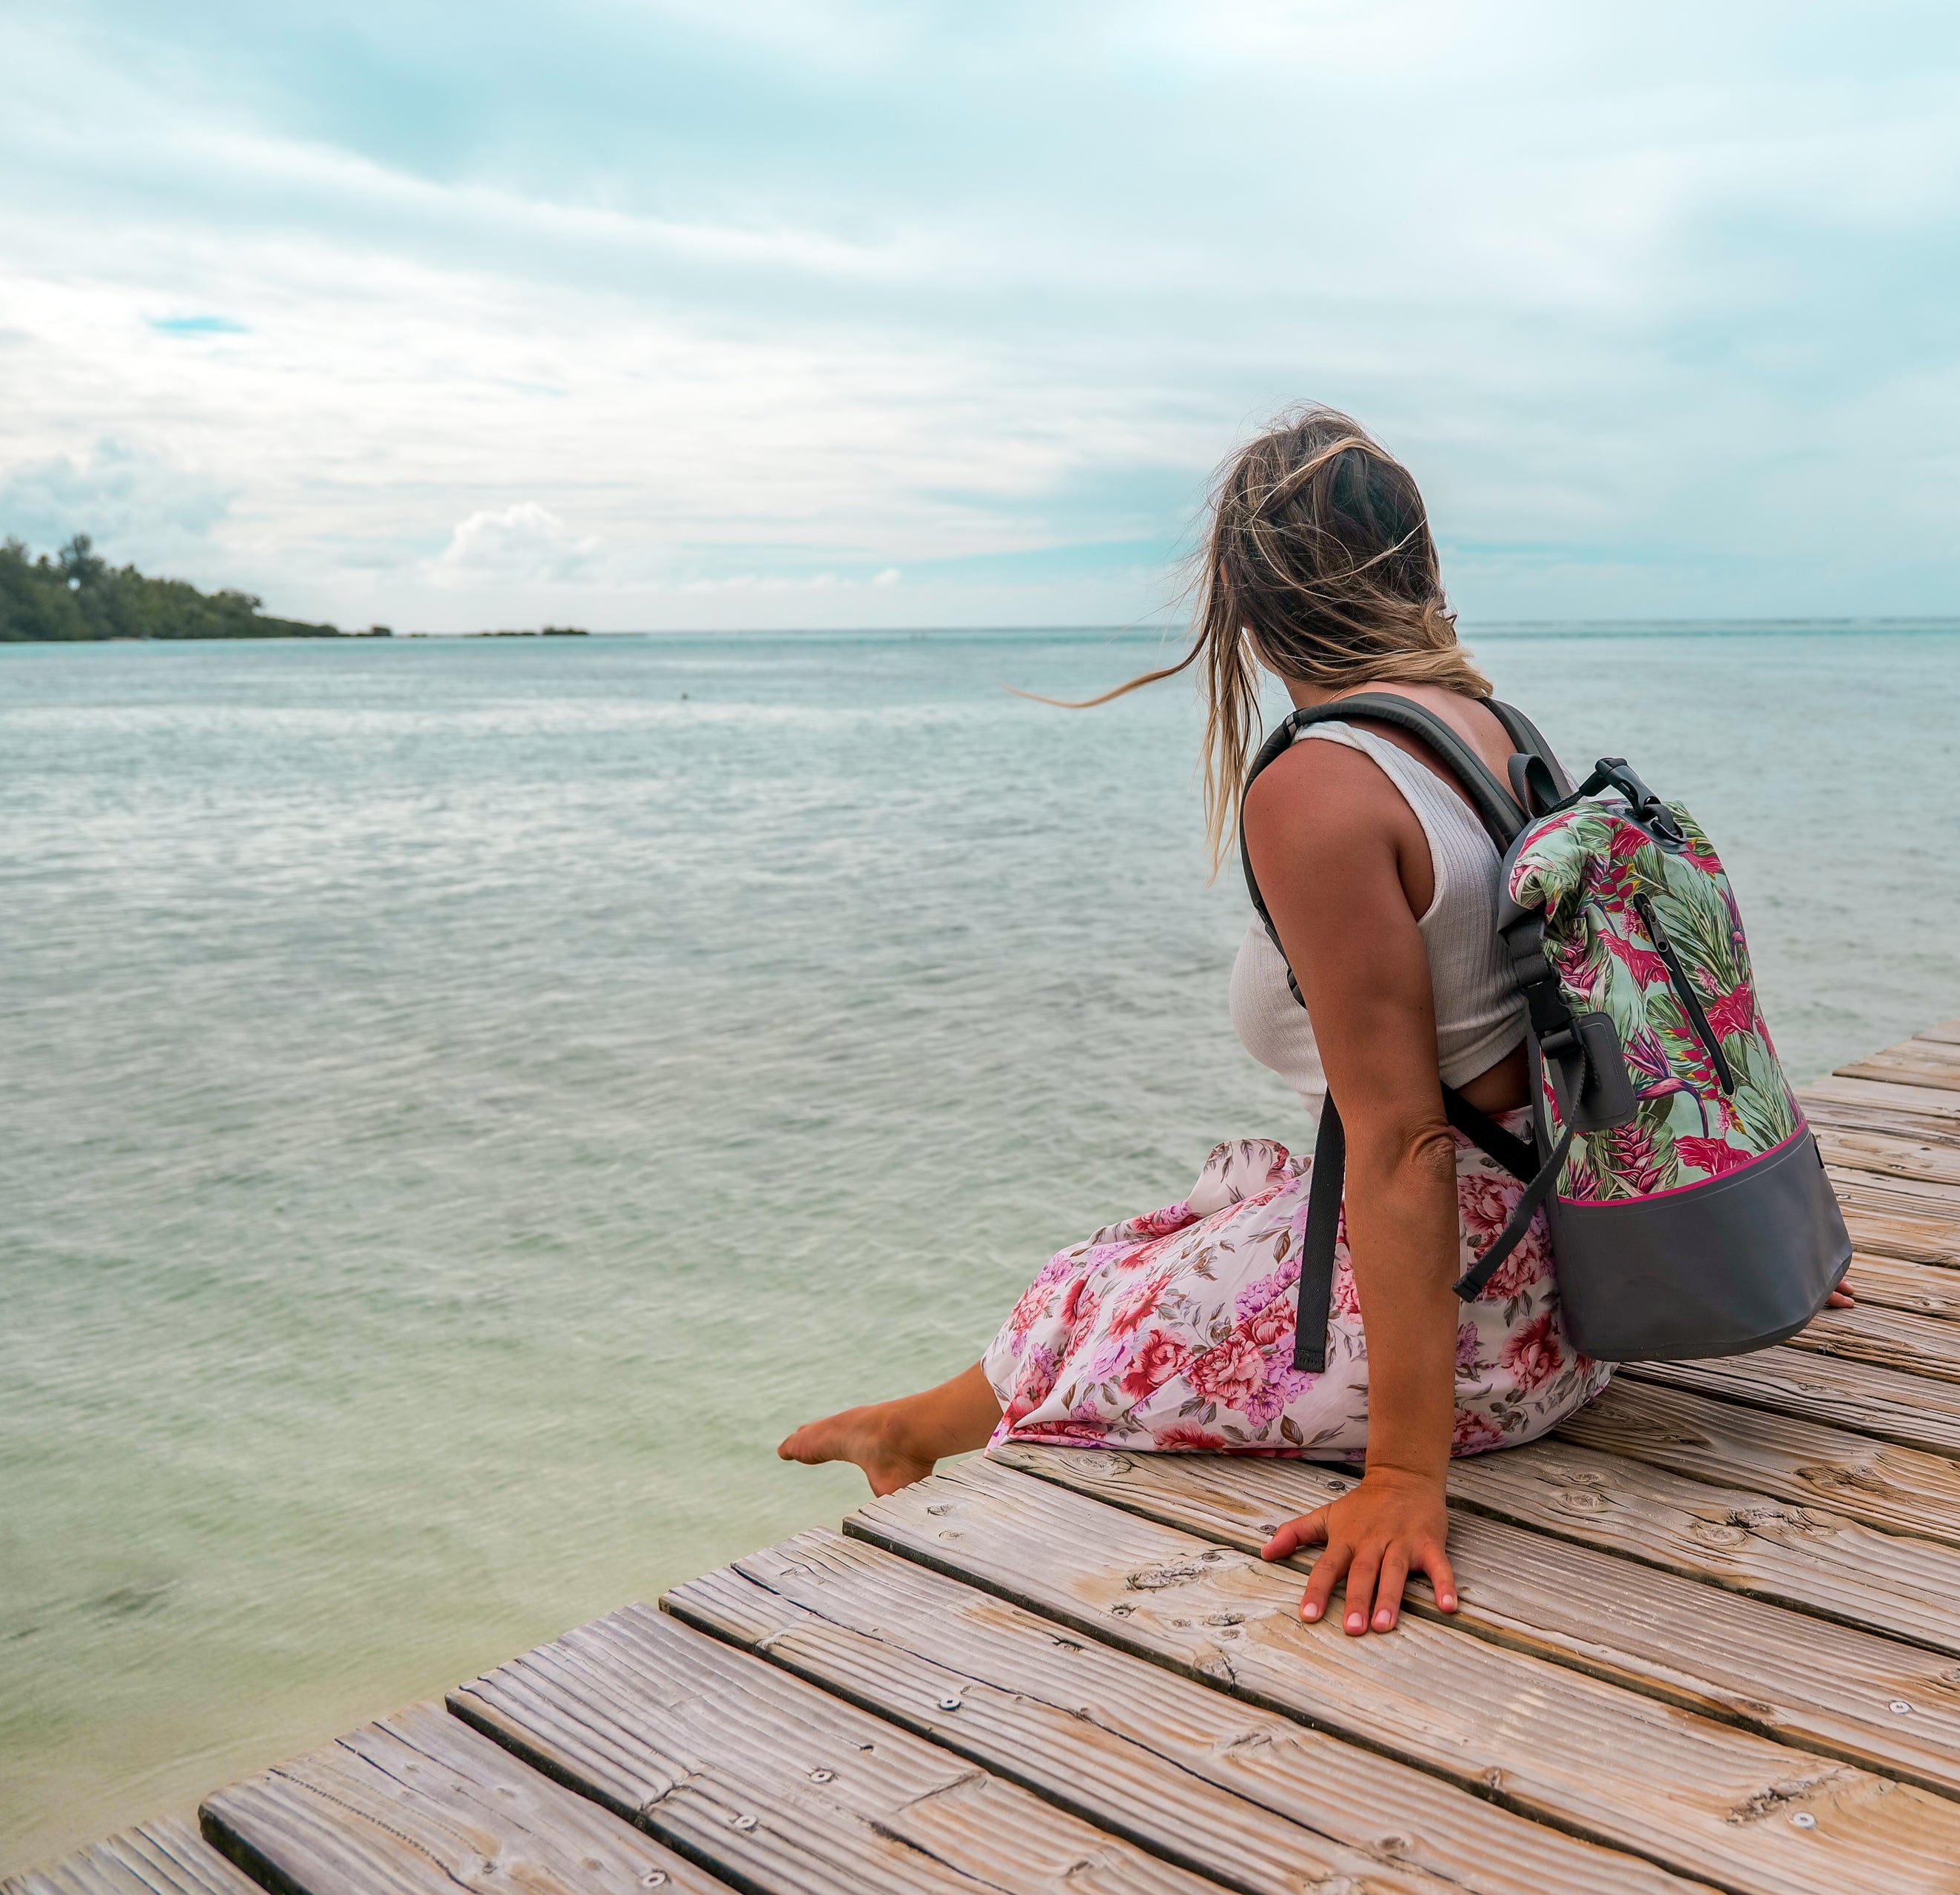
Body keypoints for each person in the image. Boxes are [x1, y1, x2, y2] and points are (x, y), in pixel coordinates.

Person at [781, 406, 1846, 1635]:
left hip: (1474, 1352)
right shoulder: (1497, 735)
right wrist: (1759, 1220)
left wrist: (1404, 1479)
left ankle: (913, 1434)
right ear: (1421, 568)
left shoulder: (1320, 787)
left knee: (1076, 1297)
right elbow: (1669, 1004)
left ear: (1241, 606)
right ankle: (905, 1429)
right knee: (1178, 1222)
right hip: (1588, 1286)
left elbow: (1403, 1146)